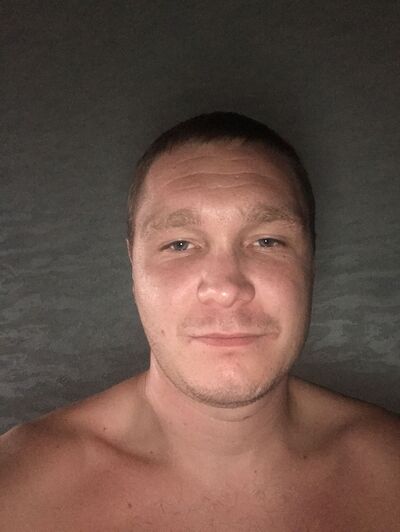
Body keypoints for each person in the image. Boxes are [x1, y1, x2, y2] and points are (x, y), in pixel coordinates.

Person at [0, 112, 399, 531]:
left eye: (267, 241)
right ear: (133, 266)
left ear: (310, 263)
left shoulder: (390, 473)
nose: (226, 288)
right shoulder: (18, 492)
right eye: (180, 244)